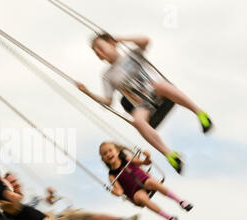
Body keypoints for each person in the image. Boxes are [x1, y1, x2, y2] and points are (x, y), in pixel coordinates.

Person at [77, 33, 213, 174]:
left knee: (161, 85)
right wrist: (87, 92)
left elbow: (146, 40)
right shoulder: (107, 75)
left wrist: (120, 39)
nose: (98, 52)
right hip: (143, 105)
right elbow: (108, 101)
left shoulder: (131, 54)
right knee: (138, 121)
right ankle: (170, 156)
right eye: (95, 51)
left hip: (156, 91)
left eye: (100, 47)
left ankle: (201, 114)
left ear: (111, 43)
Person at [99, 141, 193, 220]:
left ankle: (180, 201)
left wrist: (147, 157)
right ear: (103, 159)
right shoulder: (112, 175)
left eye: (110, 151)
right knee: (142, 198)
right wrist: (115, 192)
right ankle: (169, 218)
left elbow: (144, 163)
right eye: (105, 154)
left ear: (117, 151)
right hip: (134, 192)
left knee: (152, 182)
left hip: (144, 181)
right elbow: (120, 191)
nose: (108, 154)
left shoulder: (126, 159)